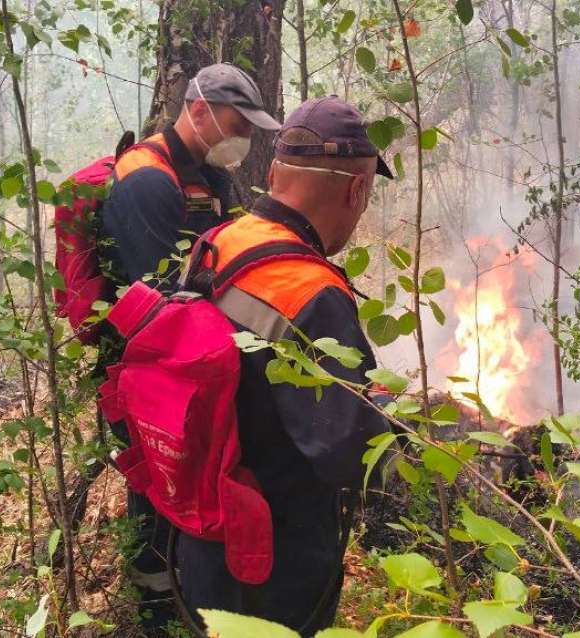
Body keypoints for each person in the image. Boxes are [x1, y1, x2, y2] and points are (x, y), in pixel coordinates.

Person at [176, 96, 394, 635]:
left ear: (273, 174)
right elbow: (355, 456)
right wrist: (396, 417)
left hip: (202, 531)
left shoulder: (218, 241)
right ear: (357, 190)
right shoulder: (311, 292)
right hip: (271, 560)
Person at [98, 63, 281, 636]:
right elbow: (156, 299)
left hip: (195, 366)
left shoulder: (211, 177)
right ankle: (155, 612)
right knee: (157, 488)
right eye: (237, 124)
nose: (243, 140)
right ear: (199, 110)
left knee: (196, 484)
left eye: (251, 130)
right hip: (150, 374)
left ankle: (193, 598)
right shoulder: (147, 181)